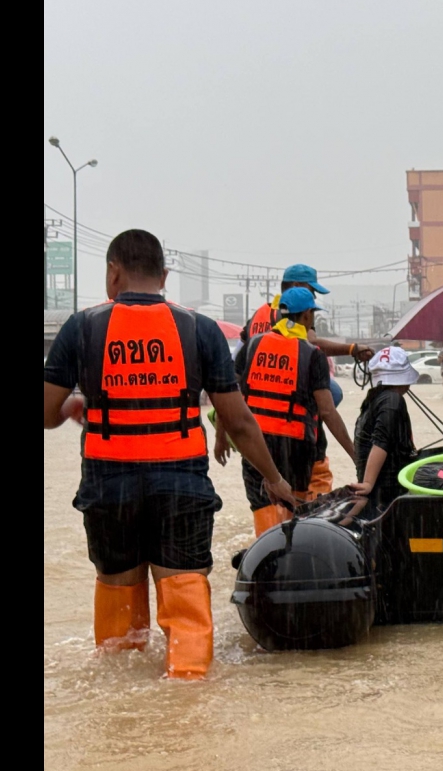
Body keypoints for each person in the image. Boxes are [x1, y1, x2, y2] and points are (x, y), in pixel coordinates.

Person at [43, 229, 295, 680]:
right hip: (180, 484)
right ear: (164, 275)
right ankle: (188, 697)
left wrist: (74, 407)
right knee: (185, 602)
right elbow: (238, 422)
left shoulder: (81, 327)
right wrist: (274, 479)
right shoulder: (199, 329)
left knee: (120, 619)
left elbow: (45, 413)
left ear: (112, 271)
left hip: (108, 485)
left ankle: (123, 707)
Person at [225, 288, 356, 537]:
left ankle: (265, 566)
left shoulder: (253, 344)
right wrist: (355, 455)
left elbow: (229, 393)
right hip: (295, 450)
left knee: (265, 521)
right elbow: (328, 412)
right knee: (295, 526)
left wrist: (222, 435)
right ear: (307, 315)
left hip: (255, 446)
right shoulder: (311, 354)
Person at [239, 263, 374, 496]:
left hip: (255, 436)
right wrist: (355, 455)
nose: (313, 296)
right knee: (334, 395)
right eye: (311, 292)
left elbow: (232, 383)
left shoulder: (258, 322)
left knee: (267, 514)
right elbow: (313, 345)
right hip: (294, 441)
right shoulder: (305, 343)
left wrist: (225, 435)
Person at [349, 347, 419, 518]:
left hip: (380, 494)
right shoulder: (392, 400)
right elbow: (382, 441)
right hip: (387, 494)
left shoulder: (374, 399)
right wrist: (368, 483)